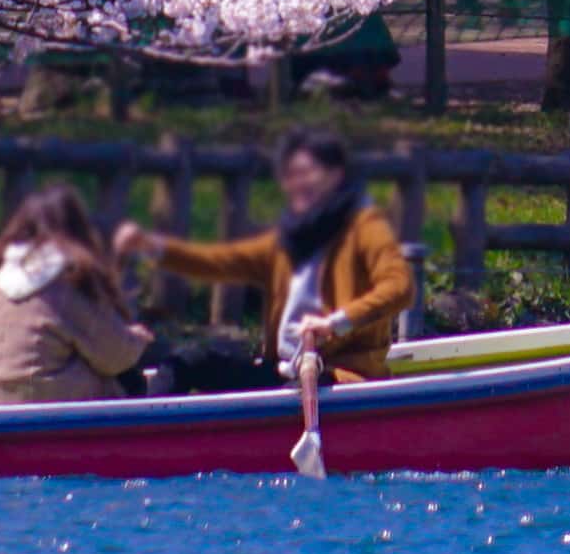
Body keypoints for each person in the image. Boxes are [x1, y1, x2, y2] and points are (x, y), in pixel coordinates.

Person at [125, 129, 415, 389]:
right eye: (291, 175)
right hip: (281, 372)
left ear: (335, 176)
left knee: (293, 396)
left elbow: (399, 287)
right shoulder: (290, 239)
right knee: (189, 362)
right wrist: (152, 247)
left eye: (307, 174)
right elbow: (222, 261)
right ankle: (136, 429)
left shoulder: (366, 228)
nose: (296, 184)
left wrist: (335, 322)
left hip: (336, 376)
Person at [0, 183, 151, 406]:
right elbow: (114, 356)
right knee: (128, 379)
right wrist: (135, 339)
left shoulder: (0, 274)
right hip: (44, 402)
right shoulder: (71, 276)